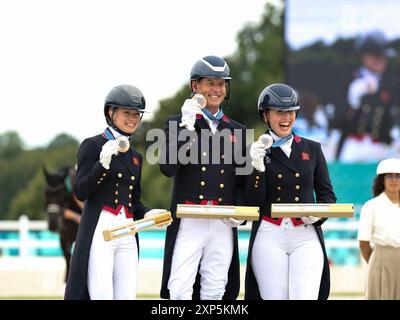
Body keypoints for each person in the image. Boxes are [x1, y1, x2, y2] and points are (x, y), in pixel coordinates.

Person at [64, 84, 167, 300]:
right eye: (126, 113)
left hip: (128, 231)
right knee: (101, 294)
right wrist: (102, 165)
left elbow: (134, 201)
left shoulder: (136, 156)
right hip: (101, 230)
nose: (133, 119)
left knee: (127, 294)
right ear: (111, 113)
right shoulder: (92, 145)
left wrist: (148, 214)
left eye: (136, 114)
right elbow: (81, 191)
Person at [159, 55, 247, 300]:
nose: (216, 90)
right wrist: (186, 127)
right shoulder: (177, 123)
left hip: (222, 220)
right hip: (190, 217)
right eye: (210, 83)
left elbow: (242, 180)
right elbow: (168, 167)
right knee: (179, 288)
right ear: (195, 86)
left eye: (221, 84)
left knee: (216, 289)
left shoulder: (237, 130)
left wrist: (239, 213)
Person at [244, 83, 336, 300]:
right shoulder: (255, 150)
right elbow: (251, 203)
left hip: (305, 233)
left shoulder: (312, 148)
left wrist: (319, 214)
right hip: (269, 233)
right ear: (265, 115)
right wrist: (256, 167)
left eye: (291, 112)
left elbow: (327, 196)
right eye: (279, 112)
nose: (286, 118)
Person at [338, 31, 399, 162]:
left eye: (383, 57)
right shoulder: (348, 79)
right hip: (353, 147)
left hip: (379, 147)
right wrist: (354, 100)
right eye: (376, 56)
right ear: (364, 56)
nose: (381, 60)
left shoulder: (389, 83)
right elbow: (338, 117)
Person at [357, 157, 400, 300]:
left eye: (398, 176)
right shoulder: (371, 206)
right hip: (381, 260)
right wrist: (376, 264)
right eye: (389, 176)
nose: (394, 180)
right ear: (382, 180)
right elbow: (363, 243)